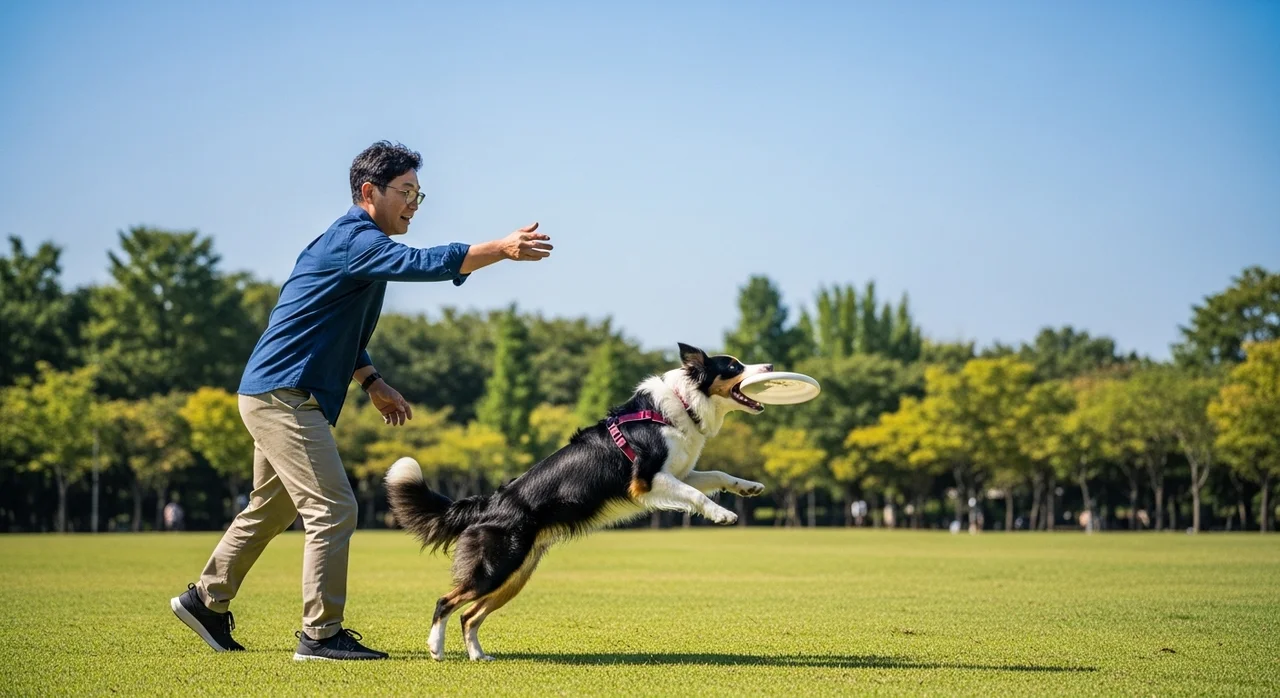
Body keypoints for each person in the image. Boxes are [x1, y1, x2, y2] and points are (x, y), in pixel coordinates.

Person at [169, 141, 552, 661]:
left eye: (419, 193)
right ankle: (320, 636)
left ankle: (205, 601)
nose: (414, 203)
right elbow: (423, 263)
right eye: (405, 192)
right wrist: (500, 249)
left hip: (273, 390)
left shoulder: (351, 246)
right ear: (369, 192)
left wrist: (372, 380)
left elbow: (334, 325)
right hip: (285, 394)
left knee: (270, 508)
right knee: (333, 508)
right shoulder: (356, 241)